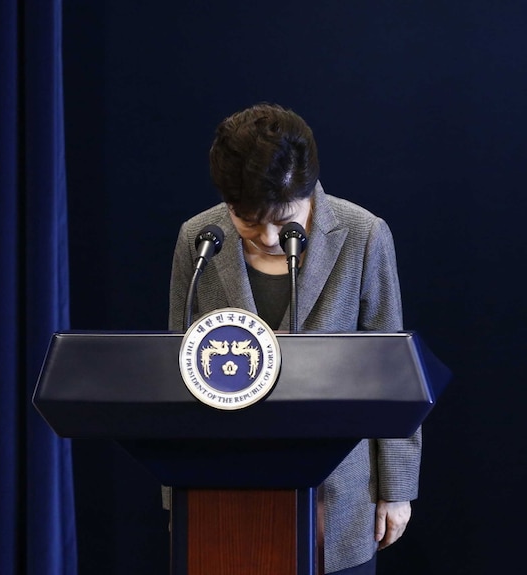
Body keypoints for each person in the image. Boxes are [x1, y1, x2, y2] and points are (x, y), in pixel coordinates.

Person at [168, 103, 420, 574]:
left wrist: (396, 490)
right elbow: (175, 366)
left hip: (338, 495)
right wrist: (174, 493)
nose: (264, 235)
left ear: (306, 192)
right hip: (222, 493)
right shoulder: (198, 241)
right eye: (247, 220)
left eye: (281, 219)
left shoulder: (363, 235)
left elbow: (394, 373)